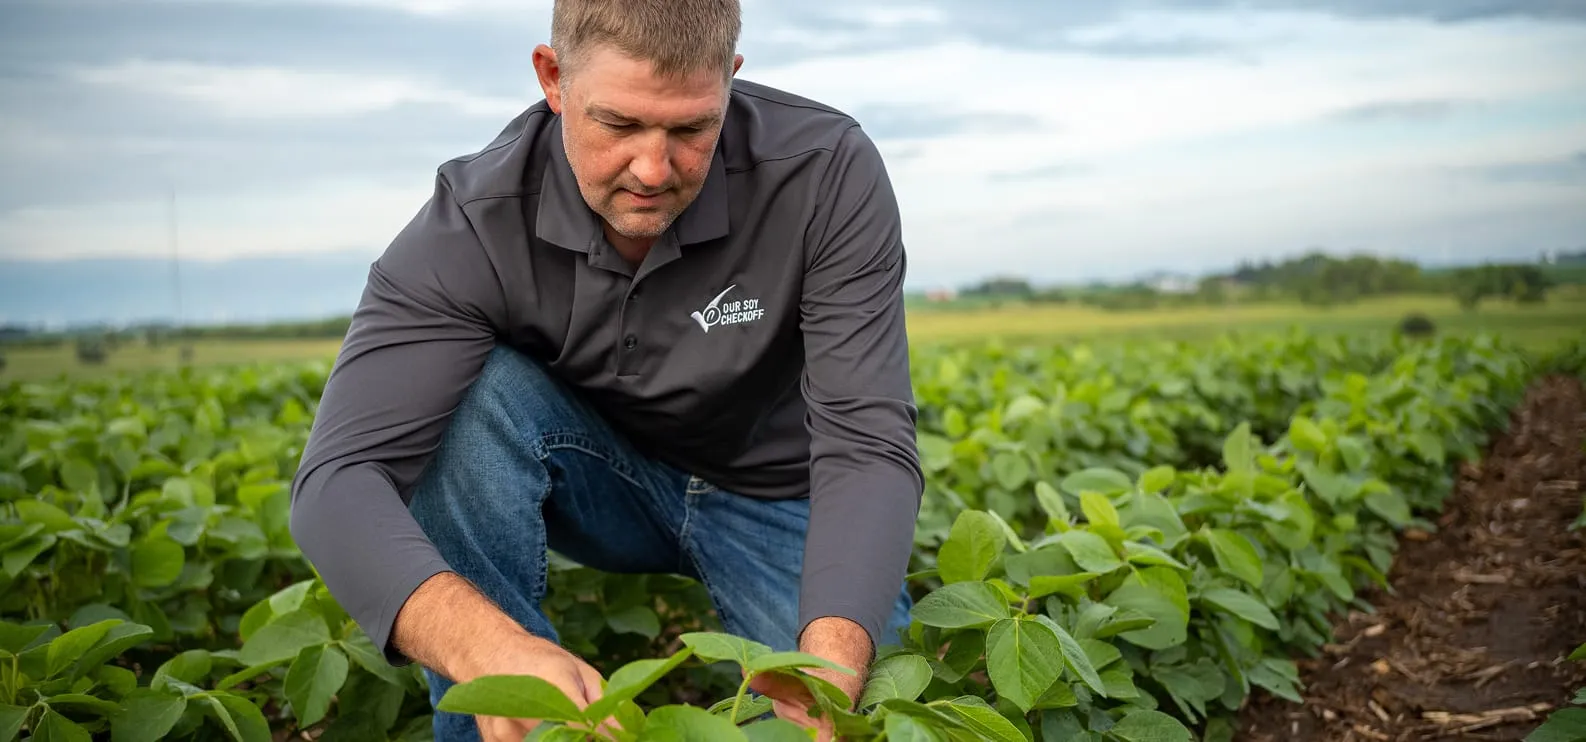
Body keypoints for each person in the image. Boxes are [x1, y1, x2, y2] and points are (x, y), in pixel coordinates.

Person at [287, 0, 923, 739]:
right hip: (604, 482)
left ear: (731, 80)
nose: (653, 169)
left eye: (691, 128)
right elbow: (336, 484)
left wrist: (833, 657)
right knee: (469, 400)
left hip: (781, 497)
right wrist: (486, 647)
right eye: (617, 124)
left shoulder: (824, 171)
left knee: (863, 714)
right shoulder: (475, 221)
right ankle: (503, 718)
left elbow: (867, 441)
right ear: (553, 79)